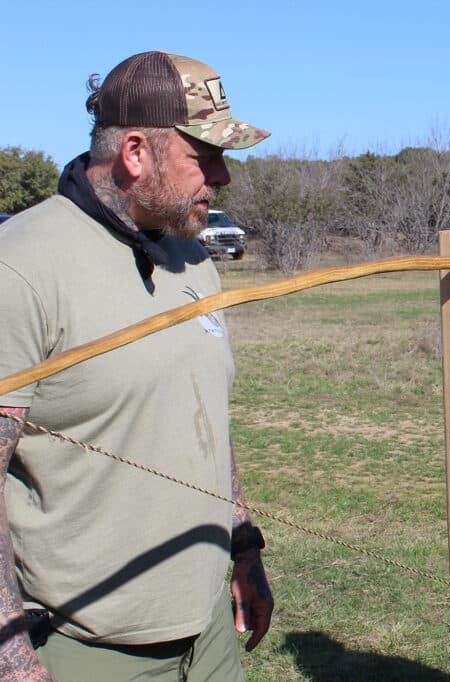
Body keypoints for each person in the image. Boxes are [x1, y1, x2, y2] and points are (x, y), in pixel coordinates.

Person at [0, 51, 273, 680]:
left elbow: (202, 418)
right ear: (134, 152)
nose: (223, 177)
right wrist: (14, 660)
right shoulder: (22, 268)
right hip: (82, 648)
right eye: (205, 157)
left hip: (208, 636)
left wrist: (244, 550)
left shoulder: (191, 257)